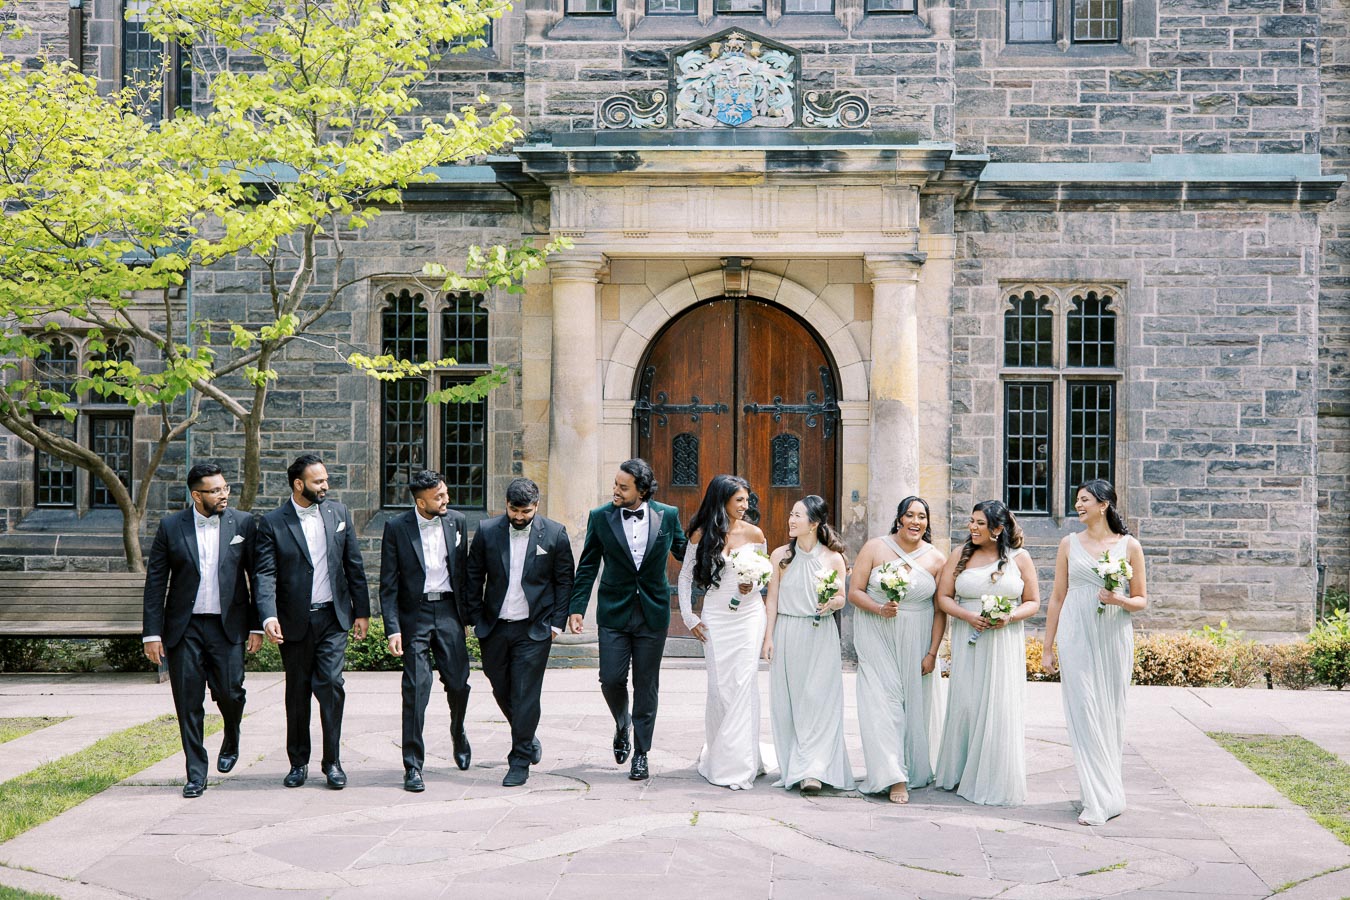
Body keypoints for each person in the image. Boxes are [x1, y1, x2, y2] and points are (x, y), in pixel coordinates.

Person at [142, 463, 261, 798]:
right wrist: (152, 634)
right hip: (185, 628)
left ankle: (232, 733)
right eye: (215, 491)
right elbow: (155, 584)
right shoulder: (170, 527)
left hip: (229, 626)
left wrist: (257, 624)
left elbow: (257, 577)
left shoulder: (244, 523)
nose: (223, 495)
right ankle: (196, 772)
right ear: (196, 495)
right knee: (188, 701)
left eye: (225, 488)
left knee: (231, 692)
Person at [569, 458, 688, 781]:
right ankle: (623, 722)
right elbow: (588, 565)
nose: (616, 491)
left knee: (646, 685)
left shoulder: (668, 515)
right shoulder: (600, 517)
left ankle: (641, 753)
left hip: (653, 612)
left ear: (643, 490)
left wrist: (718, 561)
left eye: (623, 487)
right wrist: (576, 607)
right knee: (610, 679)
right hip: (614, 611)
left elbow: (685, 554)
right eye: (615, 485)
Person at [256, 454, 370, 790]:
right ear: (298, 484)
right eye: (318, 481)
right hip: (294, 622)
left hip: (333, 618)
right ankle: (298, 762)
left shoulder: (339, 513)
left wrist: (361, 611)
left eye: (325, 480)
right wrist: (268, 615)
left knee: (332, 685)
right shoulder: (273, 522)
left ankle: (332, 761)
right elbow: (265, 573)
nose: (325, 485)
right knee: (297, 693)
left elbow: (354, 565)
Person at [1042, 480, 1148, 826]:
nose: (1078, 505)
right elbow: (1057, 597)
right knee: (1084, 710)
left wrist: (1117, 599)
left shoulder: (1129, 546)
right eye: (1077, 500)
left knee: (1110, 712)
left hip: (1112, 636)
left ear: (1104, 505)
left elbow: (1141, 600)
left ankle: (1109, 793)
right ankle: (1094, 798)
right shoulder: (1068, 544)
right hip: (1076, 633)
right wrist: (1047, 648)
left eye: (1084, 500)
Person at [464, 477, 575, 787]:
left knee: (526, 693)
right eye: (514, 510)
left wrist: (556, 622)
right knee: (500, 685)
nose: (519, 517)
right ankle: (526, 732)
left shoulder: (554, 533)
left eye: (526, 511)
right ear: (506, 506)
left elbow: (565, 579)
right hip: (494, 625)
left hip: (535, 628)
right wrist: (474, 617)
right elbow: (473, 575)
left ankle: (519, 758)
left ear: (536, 507)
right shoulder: (488, 531)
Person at [933, 500, 1039, 806]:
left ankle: (994, 774)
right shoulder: (960, 554)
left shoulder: (1020, 558)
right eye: (971, 521)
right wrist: (967, 617)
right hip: (969, 638)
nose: (972, 527)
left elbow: (1033, 601)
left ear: (997, 529)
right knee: (967, 702)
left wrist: (1010, 617)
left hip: (1003, 641)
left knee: (999, 704)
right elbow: (943, 597)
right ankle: (962, 770)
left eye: (980, 523)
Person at [848, 496, 947, 803]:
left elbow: (940, 609)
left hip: (917, 636)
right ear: (899, 518)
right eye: (910, 515)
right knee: (883, 702)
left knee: (912, 706)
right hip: (876, 632)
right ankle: (893, 777)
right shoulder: (875, 548)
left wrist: (933, 652)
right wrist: (879, 608)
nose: (916, 522)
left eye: (922, 517)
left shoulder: (936, 559)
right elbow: (854, 592)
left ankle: (910, 767)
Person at [379, 470, 473, 793]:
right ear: (420, 502)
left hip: (449, 612)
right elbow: (388, 584)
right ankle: (413, 765)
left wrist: (468, 617)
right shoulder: (396, 528)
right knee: (417, 688)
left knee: (459, 683)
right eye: (439, 497)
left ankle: (458, 730)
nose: (446, 499)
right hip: (415, 615)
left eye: (445, 493)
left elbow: (465, 573)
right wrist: (393, 629)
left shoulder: (456, 521)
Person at [677, 474, 769, 790]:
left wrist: (753, 583)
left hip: (749, 615)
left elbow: (764, 577)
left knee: (744, 682)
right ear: (722, 500)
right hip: (716, 614)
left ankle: (740, 764)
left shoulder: (755, 533)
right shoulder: (701, 535)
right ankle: (721, 753)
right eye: (739, 500)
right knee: (720, 687)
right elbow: (685, 578)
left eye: (746, 499)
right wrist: (690, 618)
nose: (745, 505)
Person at [763, 495, 854, 795]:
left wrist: (832, 602)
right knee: (789, 703)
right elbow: (772, 599)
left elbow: (842, 597)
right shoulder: (779, 556)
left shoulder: (833, 558)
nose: (791, 519)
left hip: (820, 633)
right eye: (791, 513)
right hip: (789, 632)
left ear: (814, 523)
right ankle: (796, 766)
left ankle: (814, 769)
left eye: (798, 515)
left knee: (819, 700)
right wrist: (769, 637)